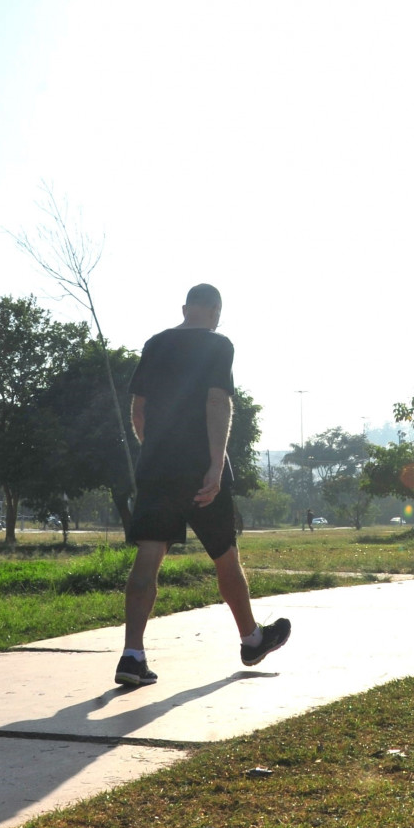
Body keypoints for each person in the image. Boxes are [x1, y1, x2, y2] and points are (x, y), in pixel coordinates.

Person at [117, 283, 290, 688]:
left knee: (148, 557)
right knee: (225, 556)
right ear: (215, 312)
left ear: (185, 309)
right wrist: (214, 465)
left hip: (157, 468)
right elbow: (217, 402)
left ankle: (132, 655)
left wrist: (155, 451)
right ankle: (251, 640)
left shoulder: (155, 344)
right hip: (199, 471)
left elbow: (138, 410)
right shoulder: (218, 345)